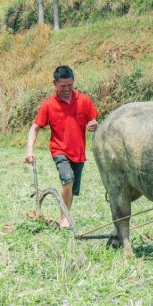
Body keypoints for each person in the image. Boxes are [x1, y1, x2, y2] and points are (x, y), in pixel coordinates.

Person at [25, 65, 98, 229]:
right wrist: (29, 151)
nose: (67, 89)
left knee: (71, 188)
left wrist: (94, 125)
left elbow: (93, 121)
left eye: (70, 85)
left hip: (79, 153)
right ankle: (64, 219)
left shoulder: (84, 101)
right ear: (55, 84)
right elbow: (34, 128)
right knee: (68, 180)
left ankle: (66, 213)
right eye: (62, 86)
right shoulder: (49, 105)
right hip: (59, 151)